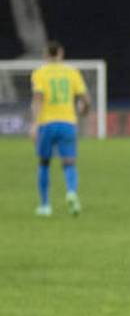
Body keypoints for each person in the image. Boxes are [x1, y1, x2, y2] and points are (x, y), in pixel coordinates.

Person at [29, 41, 90, 216]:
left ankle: (45, 205)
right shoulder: (72, 72)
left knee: (44, 163)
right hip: (68, 123)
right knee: (69, 162)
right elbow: (86, 100)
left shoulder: (39, 73)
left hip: (46, 123)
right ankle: (71, 192)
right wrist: (84, 110)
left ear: (45, 55)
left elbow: (38, 98)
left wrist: (34, 124)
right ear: (61, 53)